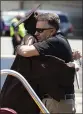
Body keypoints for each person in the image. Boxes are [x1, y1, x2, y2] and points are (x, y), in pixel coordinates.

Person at [16, 13, 76, 113]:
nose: (36, 33)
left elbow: (25, 52)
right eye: (36, 30)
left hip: (58, 103)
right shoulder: (56, 40)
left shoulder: (55, 41)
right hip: (52, 101)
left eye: (40, 30)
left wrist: (19, 46)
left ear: (52, 31)